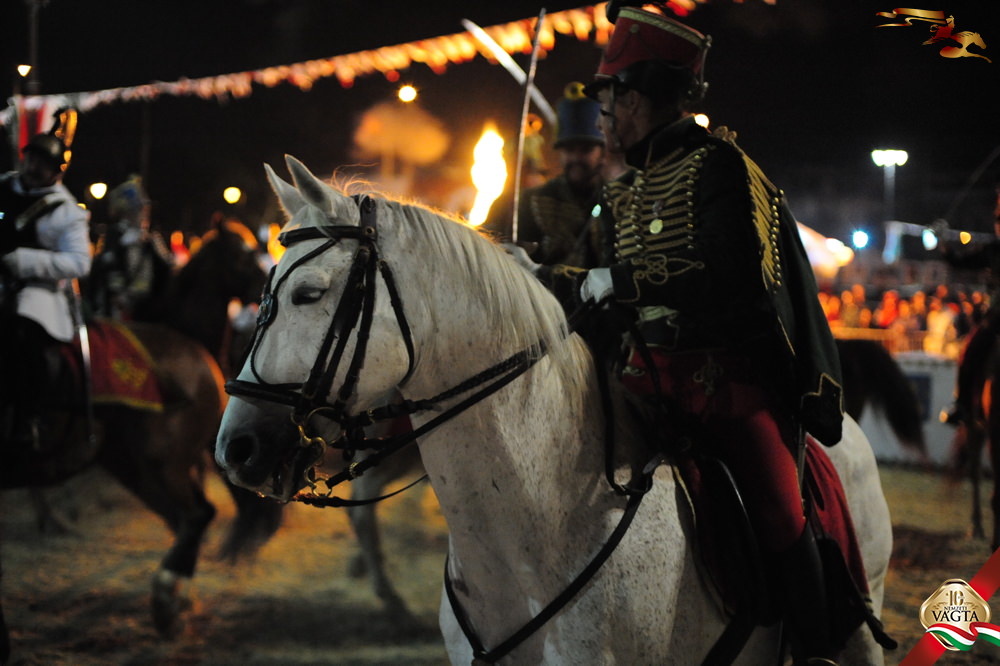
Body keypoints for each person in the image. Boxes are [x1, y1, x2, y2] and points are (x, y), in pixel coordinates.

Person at [509, 5, 844, 664]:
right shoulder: (625, 192)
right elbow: (600, 291)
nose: (603, 118)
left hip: (727, 388)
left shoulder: (720, 167)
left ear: (637, 100)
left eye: (610, 101)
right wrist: (539, 278)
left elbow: (731, 274)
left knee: (781, 512)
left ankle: (816, 651)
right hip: (644, 384)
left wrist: (619, 281)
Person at [0, 132, 92, 448]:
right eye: (32, 158)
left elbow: (79, 262)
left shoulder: (67, 211)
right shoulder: (3, 187)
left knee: (23, 337)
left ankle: (30, 418)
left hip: (37, 292)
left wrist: (24, 261)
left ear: (56, 171)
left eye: (44, 163)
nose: (34, 167)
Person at [489, 82, 610, 269]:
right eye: (569, 150)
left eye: (585, 150)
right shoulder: (527, 202)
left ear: (602, 151)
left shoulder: (615, 200)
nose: (576, 158)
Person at [939, 183, 1000, 424]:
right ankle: (963, 404)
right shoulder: (992, 250)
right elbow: (959, 261)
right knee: (971, 351)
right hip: (996, 317)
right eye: (997, 219)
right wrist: (944, 243)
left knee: (972, 349)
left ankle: (961, 404)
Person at [87, 174, 173, 320]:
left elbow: (166, 270)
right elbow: (104, 270)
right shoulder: (116, 235)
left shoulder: (150, 240)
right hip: (118, 310)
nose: (143, 215)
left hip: (141, 310)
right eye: (139, 210)